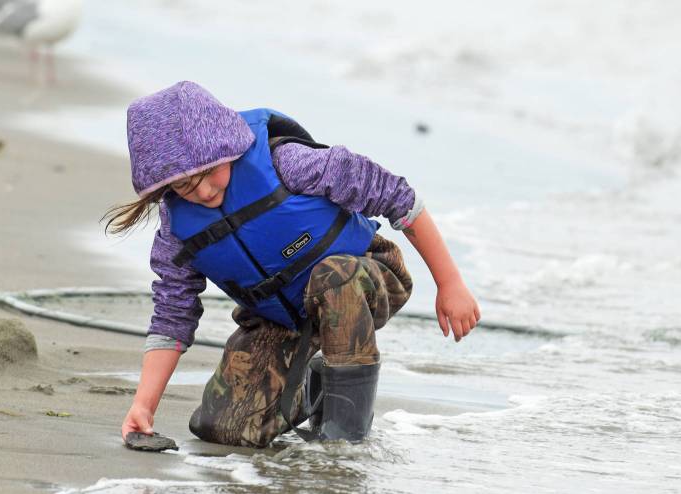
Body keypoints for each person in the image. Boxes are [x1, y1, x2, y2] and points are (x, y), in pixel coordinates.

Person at [106, 81, 479, 448]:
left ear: (229, 147)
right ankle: (313, 388)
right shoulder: (178, 231)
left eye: (207, 172)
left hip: (365, 276)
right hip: (283, 318)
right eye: (185, 187)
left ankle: (345, 438)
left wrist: (450, 284)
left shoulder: (290, 163)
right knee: (227, 430)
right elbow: (173, 315)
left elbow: (400, 199)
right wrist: (143, 406)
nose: (202, 192)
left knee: (334, 280)